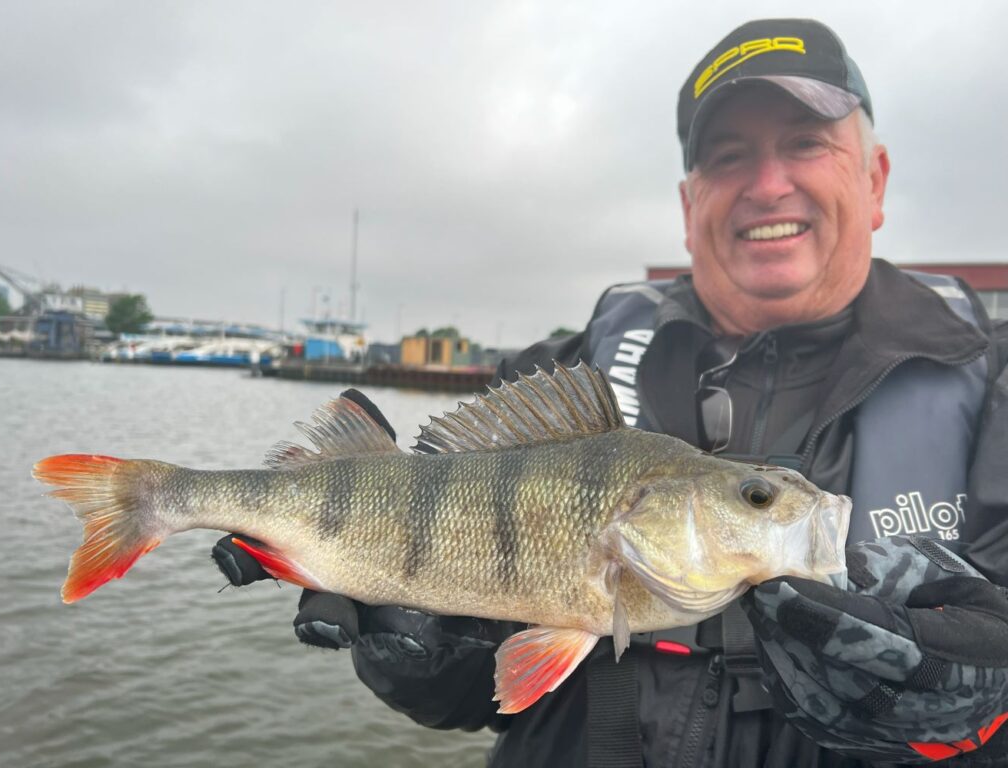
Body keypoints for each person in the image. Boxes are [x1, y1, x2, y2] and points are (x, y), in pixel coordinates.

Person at [213, 19, 1008, 767]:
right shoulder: (560, 376)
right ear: (689, 205)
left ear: (875, 179)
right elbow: (474, 697)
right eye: (728, 155)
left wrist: (984, 704)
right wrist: (421, 655)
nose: (769, 185)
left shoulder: (991, 387)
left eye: (806, 143)